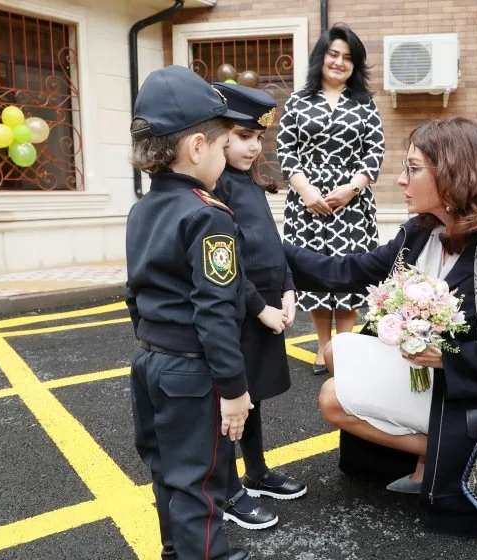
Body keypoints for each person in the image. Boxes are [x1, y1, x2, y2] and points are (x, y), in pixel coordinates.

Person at [283, 117, 477, 543]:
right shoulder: (420, 232)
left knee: (331, 397)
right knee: (335, 350)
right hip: (430, 378)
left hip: (476, 392)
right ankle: (436, 452)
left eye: (413, 168)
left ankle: (446, 454)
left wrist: (448, 356)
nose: (400, 180)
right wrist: (269, 249)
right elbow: (347, 272)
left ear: (452, 174)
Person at [125, 65, 254, 560]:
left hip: (149, 361)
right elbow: (217, 313)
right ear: (198, 147)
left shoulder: (141, 210)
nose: (225, 157)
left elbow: (133, 293)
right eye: (223, 146)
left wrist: (153, 344)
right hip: (192, 371)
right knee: (199, 480)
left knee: (166, 472)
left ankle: (177, 552)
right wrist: (235, 390)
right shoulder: (207, 215)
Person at [212, 82, 308, 531]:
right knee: (231, 401)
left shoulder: (248, 181)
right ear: (219, 136)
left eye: (258, 138)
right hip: (240, 311)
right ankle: (227, 488)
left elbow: (271, 242)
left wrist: (287, 289)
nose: (253, 147)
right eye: (243, 136)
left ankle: (256, 472)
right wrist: (258, 308)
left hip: (267, 305)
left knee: (253, 397)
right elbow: (226, 264)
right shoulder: (215, 187)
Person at [277, 23, 385, 375]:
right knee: (315, 275)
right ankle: (324, 349)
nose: (339, 62)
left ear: (356, 64)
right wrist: (307, 191)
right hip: (307, 204)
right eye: (333, 54)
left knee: (349, 274)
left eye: (348, 58)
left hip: (352, 205)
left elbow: (375, 151)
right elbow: (286, 150)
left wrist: (352, 188)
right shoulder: (298, 101)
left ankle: (345, 347)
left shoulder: (365, 103)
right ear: (321, 58)